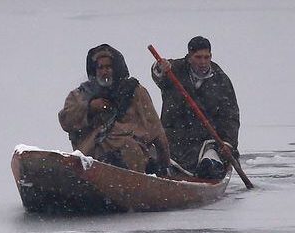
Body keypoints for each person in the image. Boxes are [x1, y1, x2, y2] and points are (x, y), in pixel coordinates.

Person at [59, 43, 170, 174]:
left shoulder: (134, 92)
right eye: (100, 68)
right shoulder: (81, 94)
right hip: (91, 156)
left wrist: (163, 165)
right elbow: (66, 120)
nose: (104, 71)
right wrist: (89, 108)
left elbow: (156, 130)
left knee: (129, 148)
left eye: (108, 67)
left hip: (131, 157)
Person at [150, 35, 240, 179]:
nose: (203, 62)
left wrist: (228, 143)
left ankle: (206, 170)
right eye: (198, 57)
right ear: (189, 56)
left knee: (210, 165)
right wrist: (161, 67)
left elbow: (230, 116)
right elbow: (159, 75)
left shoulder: (221, 80)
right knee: (157, 160)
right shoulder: (174, 70)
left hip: (207, 139)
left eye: (206, 57)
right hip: (174, 137)